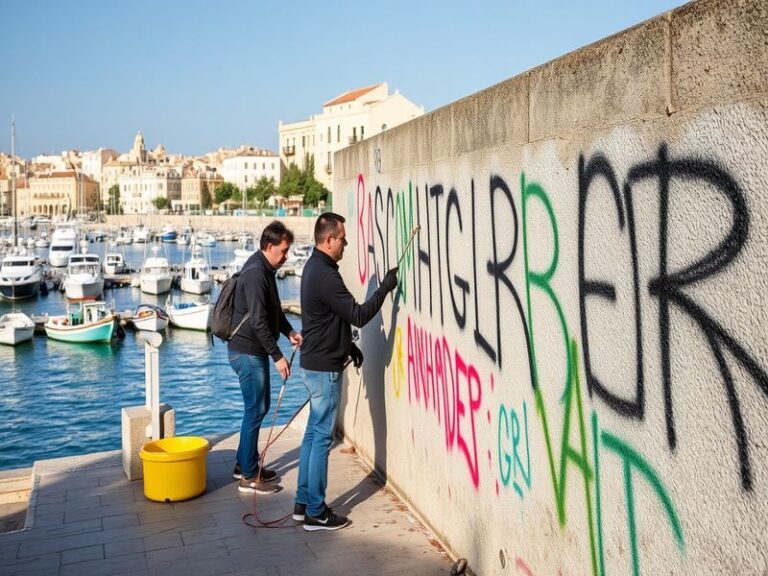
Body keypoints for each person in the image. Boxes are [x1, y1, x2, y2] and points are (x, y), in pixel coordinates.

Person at [295, 212, 398, 531]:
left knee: (313, 434)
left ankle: (302, 503)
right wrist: (385, 288)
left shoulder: (314, 267)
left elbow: (329, 318)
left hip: (315, 363)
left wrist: (348, 347)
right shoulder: (326, 275)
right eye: (342, 238)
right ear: (329, 240)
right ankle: (315, 511)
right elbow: (358, 315)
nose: (346, 243)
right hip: (323, 369)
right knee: (321, 437)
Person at [228, 220, 303, 494]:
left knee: (257, 407)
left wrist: (289, 331)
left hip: (252, 350)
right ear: (269, 246)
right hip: (246, 352)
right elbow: (259, 321)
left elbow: (273, 311)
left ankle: (243, 464)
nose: (286, 256)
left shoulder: (266, 269)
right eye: (283, 250)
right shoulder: (256, 273)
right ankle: (249, 476)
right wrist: (278, 356)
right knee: (256, 409)